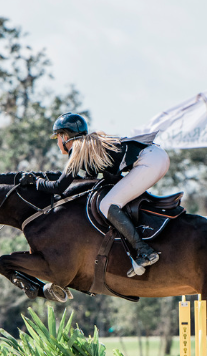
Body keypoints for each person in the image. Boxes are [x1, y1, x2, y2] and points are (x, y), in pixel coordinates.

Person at [19, 112, 169, 274]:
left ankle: (145, 251)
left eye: (57, 138)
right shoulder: (88, 146)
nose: (58, 143)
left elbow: (58, 186)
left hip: (149, 161)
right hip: (156, 157)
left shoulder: (78, 149)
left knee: (108, 204)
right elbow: (90, 183)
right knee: (111, 200)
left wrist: (35, 182)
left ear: (64, 136)